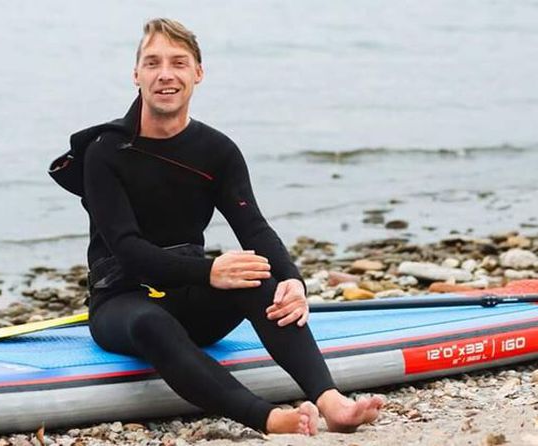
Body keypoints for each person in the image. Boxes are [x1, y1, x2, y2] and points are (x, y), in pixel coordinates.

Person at [50, 18, 383, 435]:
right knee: (154, 322)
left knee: (260, 280)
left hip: (190, 303)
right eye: (152, 63)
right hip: (121, 303)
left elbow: (254, 227)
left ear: (198, 73)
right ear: (136, 75)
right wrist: (209, 271)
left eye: (178, 62)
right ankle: (266, 417)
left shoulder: (217, 151)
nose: (165, 74)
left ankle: (331, 401)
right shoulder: (106, 152)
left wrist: (293, 281)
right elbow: (127, 249)